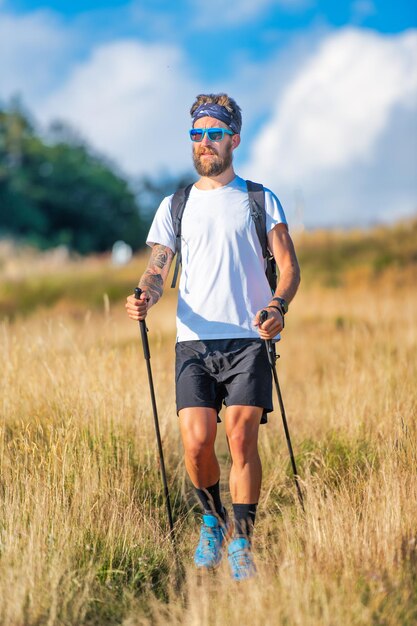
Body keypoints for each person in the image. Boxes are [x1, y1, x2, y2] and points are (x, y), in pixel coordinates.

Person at [126, 93, 300, 581]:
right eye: (197, 135)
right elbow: (157, 268)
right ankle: (212, 519)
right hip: (193, 343)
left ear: (234, 140)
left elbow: (288, 268)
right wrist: (144, 293)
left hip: (248, 338)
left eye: (215, 134)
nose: (205, 143)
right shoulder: (175, 204)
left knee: (242, 438)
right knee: (198, 442)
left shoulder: (260, 199)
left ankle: (242, 540)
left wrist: (277, 306)